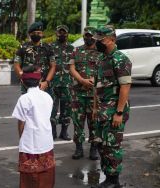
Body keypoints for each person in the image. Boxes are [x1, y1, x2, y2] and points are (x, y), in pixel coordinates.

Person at [93, 26, 132, 188]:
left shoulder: (120, 59)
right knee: (102, 145)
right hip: (102, 110)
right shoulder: (102, 59)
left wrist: (119, 112)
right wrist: (95, 108)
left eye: (101, 40)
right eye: (97, 40)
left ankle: (114, 181)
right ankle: (107, 178)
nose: (98, 43)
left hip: (114, 110)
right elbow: (97, 86)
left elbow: (125, 87)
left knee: (112, 146)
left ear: (112, 39)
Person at [12, 65, 56, 188]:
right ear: (40, 80)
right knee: (46, 174)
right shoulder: (47, 96)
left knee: (30, 178)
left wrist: (21, 137)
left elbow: (21, 122)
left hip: (30, 142)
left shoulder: (24, 99)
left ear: (22, 82)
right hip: (46, 140)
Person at [69, 26, 100, 160]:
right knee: (78, 122)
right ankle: (79, 148)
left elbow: (104, 68)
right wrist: (82, 80)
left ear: (95, 37)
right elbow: (71, 68)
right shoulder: (77, 51)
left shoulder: (100, 51)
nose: (88, 38)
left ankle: (94, 148)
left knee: (94, 122)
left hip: (94, 94)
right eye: (86, 35)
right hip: (78, 93)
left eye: (91, 36)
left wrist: (94, 79)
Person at [13, 21, 56, 95]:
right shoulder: (23, 47)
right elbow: (16, 65)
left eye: (39, 33)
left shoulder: (48, 48)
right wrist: (23, 77)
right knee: (27, 105)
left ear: (42, 34)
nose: (36, 35)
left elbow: (53, 66)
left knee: (44, 106)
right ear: (30, 34)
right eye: (34, 33)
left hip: (44, 86)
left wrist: (46, 82)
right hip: (27, 87)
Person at [49, 25, 74, 140]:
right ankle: (52, 132)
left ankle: (64, 132)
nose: (62, 35)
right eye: (60, 32)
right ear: (56, 33)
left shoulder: (72, 49)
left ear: (67, 34)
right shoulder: (50, 48)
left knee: (67, 109)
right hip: (53, 84)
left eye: (64, 33)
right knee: (52, 109)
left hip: (67, 84)